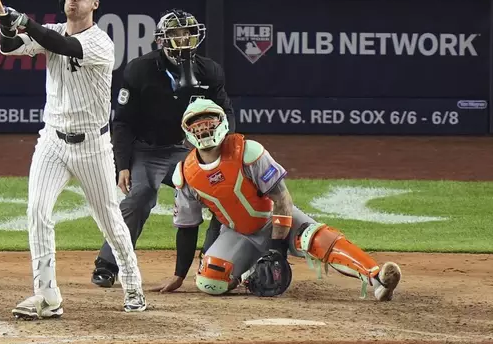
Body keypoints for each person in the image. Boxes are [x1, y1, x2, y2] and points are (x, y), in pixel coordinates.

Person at [0, 0, 147, 319]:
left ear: (95, 4)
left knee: (109, 217)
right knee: (37, 210)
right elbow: (11, 48)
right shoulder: (52, 31)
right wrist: (9, 29)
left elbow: (64, 46)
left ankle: (133, 285)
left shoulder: (100, 43)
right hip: (52, 140)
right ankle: (47, 297)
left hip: (92, 145)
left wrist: (25, 22)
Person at [153, 98, 402, 302]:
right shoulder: (185, 173)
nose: (203, 130)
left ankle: (377, 277)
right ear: (188, 132)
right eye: (197, 126)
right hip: (239, 233)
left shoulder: (248, 152)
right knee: (210, 282)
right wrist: (178, 275)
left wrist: (277, 250)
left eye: (208, 123)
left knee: (315, 237)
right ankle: (250, 273)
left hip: (274, 219)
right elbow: (187, 227)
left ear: (221, 123)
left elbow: (282, 198)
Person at [90, 9, 233, 288]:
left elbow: (225, 112)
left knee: (221, 195)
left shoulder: (210, 70)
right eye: (176, 34)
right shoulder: (139, 69)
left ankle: (214, 260)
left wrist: (224, 156)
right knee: (139, 197)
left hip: (185, 149)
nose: (183, 39)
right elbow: (122, 122)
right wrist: (123, 165)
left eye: (188, 33)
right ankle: (108, 264)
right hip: (145, 149)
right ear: (161, 40)